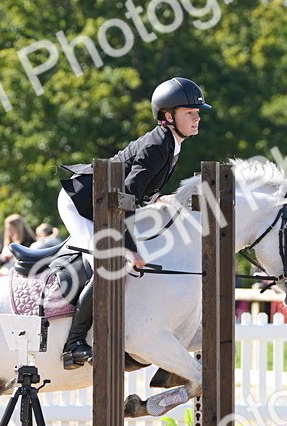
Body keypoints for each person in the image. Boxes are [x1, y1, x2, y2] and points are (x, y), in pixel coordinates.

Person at [57, 76, 209, 369]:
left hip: (106, 204)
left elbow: (134, 193)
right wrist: (129, 250)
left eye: (197, 113)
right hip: (82, 204)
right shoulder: (158, 145)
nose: (196, 118)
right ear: (168, 116)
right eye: (190, 112)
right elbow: (122, 199)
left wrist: (155, 200)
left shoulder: (171, 143)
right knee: (107, 261)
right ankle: (74, 344)